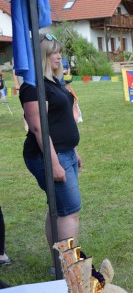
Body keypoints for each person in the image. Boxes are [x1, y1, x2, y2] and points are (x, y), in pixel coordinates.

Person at [19, 33, 82, 276]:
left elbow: (60, 120)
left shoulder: (53, 81)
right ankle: (69, 270)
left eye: (59, 51)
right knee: (70, 211)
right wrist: (54, 163)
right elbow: (38, 128)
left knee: (57, 208)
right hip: (47, 156)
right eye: (54, 52)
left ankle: (59, 264)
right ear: (42, 56)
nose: (59, 56)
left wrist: (73, 150)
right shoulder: (33, 87)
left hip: (64, 153)